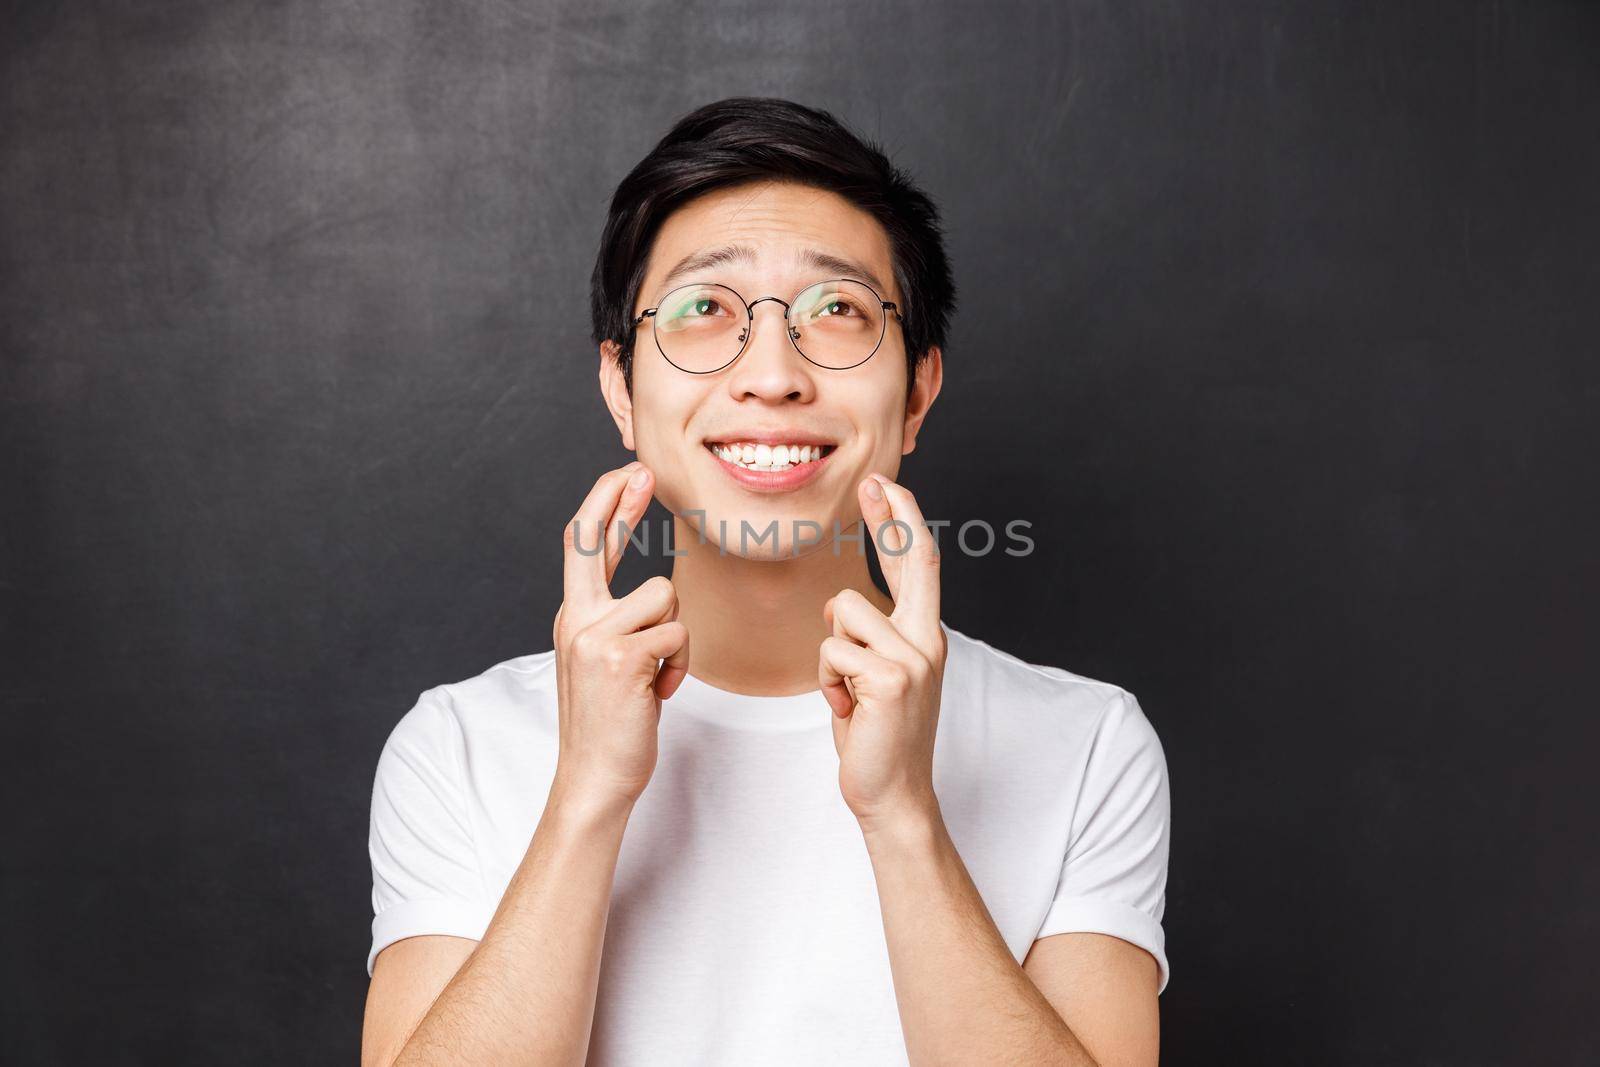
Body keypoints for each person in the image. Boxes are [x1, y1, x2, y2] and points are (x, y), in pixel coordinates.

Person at [360, 97, 1171, 1067]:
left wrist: (902, 814)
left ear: (916, 390)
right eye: (706, 309)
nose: (773, 373)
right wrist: (588, 793)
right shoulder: (457, 744)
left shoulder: (1084, 743)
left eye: (838, 310)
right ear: (621, 387)